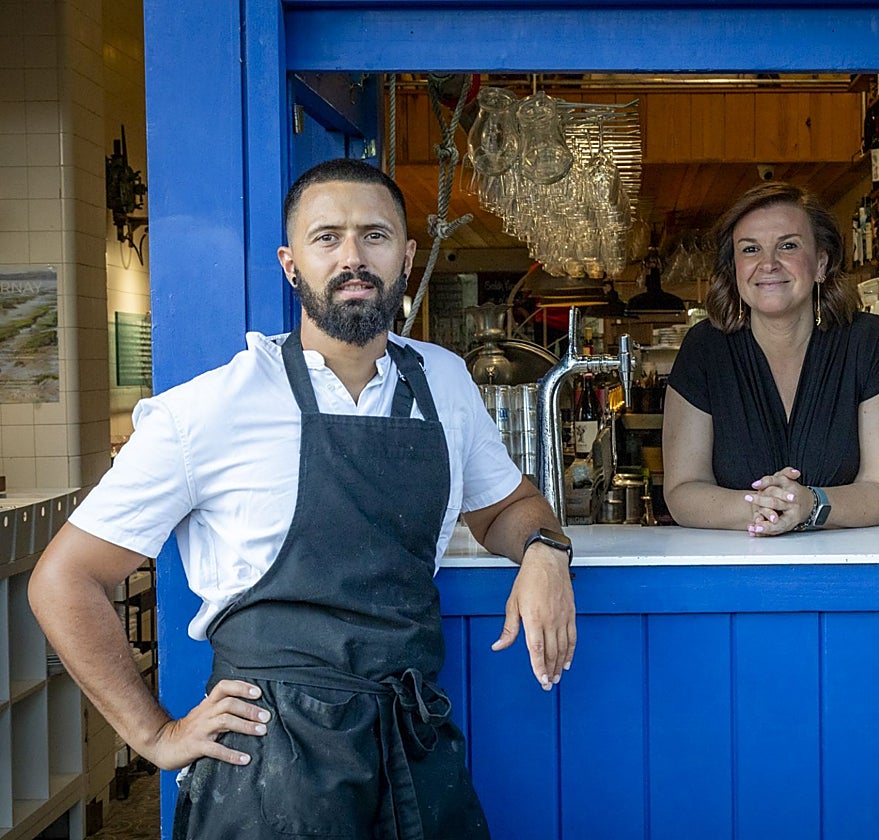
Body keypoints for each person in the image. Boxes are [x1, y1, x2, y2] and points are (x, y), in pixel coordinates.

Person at [29, 158, 576, 839]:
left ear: (405, 257)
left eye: (374, 236)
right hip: (267, 766)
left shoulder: (443, 381)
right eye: (327, 238)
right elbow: (63, 579)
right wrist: (155, 736)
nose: (352, 257)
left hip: (413, 748)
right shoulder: (210, 408)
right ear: (292, 264)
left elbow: (503, 508)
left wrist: (546, 551)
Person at [663, 182, 879, 535]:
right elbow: (682, 490)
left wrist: (810, 505)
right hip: (732, 572)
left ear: (821, 262)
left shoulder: (868, 342)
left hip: (847, 571)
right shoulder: (705, 350)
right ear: (734, 268)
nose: (768, 264)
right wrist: (761, 510)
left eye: (788, 246)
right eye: (750, 249)